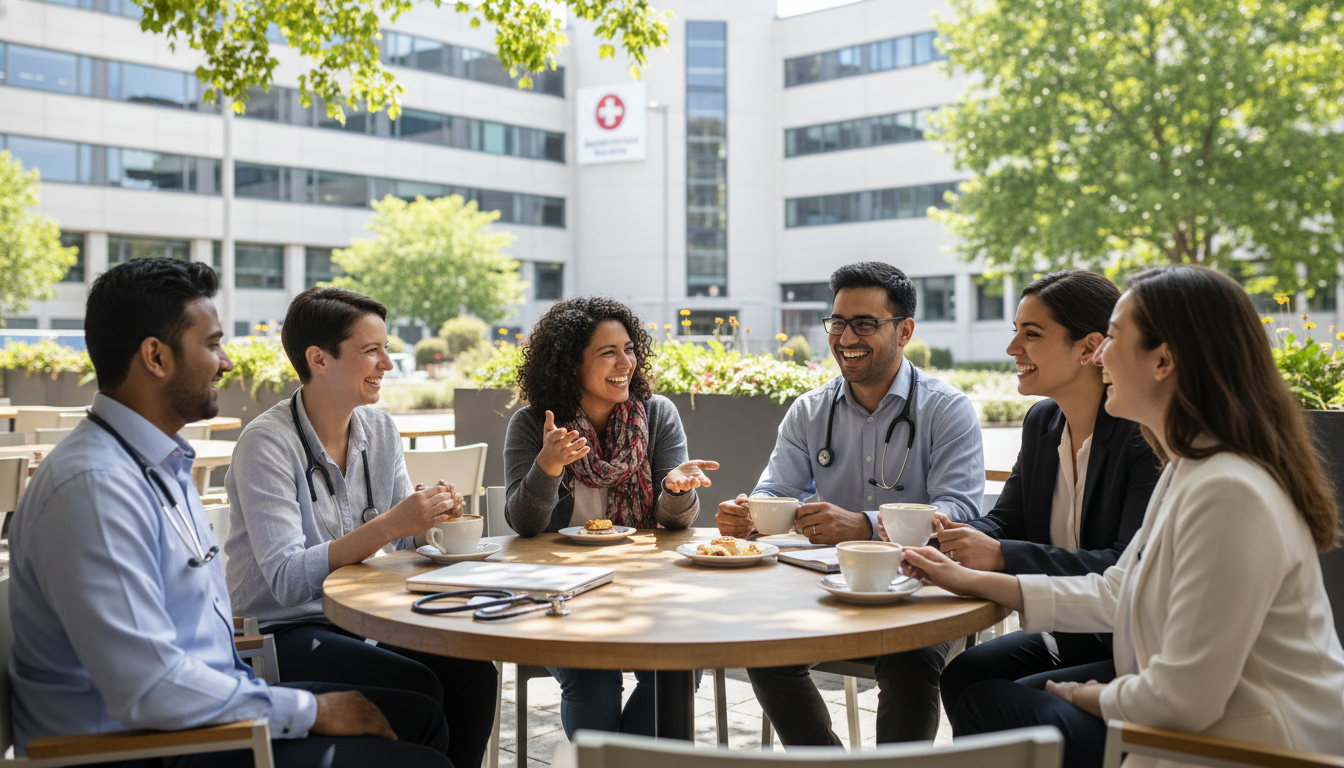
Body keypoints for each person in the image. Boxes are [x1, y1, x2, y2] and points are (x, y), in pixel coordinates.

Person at [6, 258, 452, 766]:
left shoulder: (155, 465)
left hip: (201, 712)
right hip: (148, 748)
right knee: (420, 755)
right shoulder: (95, 488)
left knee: (421, 714)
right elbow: (149, 689)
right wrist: (309, 709)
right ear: (156, 357)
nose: (226, 362)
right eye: (213, 344)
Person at [904, 265, 1344, 768]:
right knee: (979, 685)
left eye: (1113, 337)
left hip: (1251, 746)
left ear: (1164, 360)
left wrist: (1090, 695)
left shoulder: (1227, 491)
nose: (1102, 355)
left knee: (992, 703)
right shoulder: (1190, 468)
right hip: (1205, 726)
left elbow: (1183, 700)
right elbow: (1118, 589)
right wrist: (968, 576)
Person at [224, 286, 497, 768]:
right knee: (418, 685)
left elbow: (405, 537)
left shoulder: (380, 429)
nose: (387, 364)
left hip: (361, 617)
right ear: (318, 359)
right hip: (282, 631)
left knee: (472, 673)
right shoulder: (267, 444)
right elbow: (287, 581)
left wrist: (433, 519)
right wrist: (392, 524)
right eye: (371, 351)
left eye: (385, 348)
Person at [716, 261, 984, 746]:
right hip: (828, 588)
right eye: (837, 323)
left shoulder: (946, 409)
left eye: (864, 324)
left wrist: (865, 525)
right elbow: (776, 489)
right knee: (764, 651)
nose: (845, 338)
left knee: (910, 661)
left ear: (904, 331)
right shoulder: (809, 410)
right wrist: (749, 513)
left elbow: (960, 513)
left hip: (921, 588)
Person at [935, 270, 1161, 718]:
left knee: (990, 698)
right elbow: (1008, 520)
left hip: (1131, 644)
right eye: (1015, 331)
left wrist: (1000, 555)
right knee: (963, 674)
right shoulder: (1043, 422)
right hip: (1068, 633)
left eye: (1032, 334)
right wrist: (950, 535)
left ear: (1089, 348)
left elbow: (1121, 564)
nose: (1012, 348)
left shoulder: (1143, 437)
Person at [503, 296, 718, 738]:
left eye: (629, 349)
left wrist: (675, 491)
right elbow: (524, 524)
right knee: (593, 676)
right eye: (608, 353)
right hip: (560, 591)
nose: (626, 363)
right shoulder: (533, 424)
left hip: (644, 587)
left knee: (679, 664)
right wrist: (547, 466)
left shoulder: (657, 415)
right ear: (571, 366)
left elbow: (676, 523)